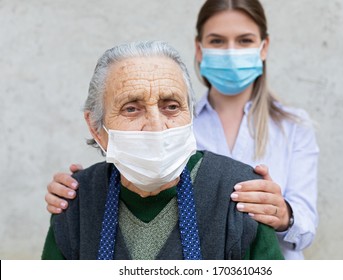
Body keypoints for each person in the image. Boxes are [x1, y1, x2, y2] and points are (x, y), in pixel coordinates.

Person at [45, 0, 319, 259]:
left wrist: (282, 213)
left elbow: (306, 222)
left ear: (264, 46)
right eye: (217, 41)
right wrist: (76, 194)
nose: (157, 128)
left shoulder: (293, 127)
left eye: (244, 40)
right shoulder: (81, 204)